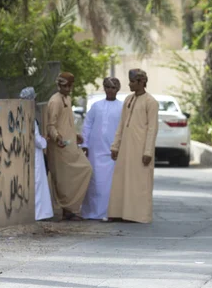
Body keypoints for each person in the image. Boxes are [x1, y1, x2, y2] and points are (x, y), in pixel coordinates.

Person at [107, 69, 159, 223]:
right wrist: (115, 146)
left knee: (139, 181)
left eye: (132, 82)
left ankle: (138, 215)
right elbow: (122, 124)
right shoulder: (128, 99)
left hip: (141, 149)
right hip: (125, 148)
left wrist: (148, 151)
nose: (129, 84)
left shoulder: (151, 102)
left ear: (141, 82)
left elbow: (152, 129)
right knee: (121, 180)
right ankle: (118, 213)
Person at [46, 72, 93, 221]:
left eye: (68, 86)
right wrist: (57, 137)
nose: (66, 88)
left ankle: (70, 208)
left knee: (85, 169)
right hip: (59, 147)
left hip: (70, 145)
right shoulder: (55, 101)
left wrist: (75, 134)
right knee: (63, 179)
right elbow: (51, 125)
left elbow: (67, 122)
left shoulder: (67, 98)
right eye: (63, 85)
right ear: (59, 85)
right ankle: (67, 210)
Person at [81, 77, 124, 221]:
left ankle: (108, 212)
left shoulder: (122, 107)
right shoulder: (96, 106)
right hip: (95, 150)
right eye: (107, 87)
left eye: (113, 88)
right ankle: (91, 213)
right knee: (95, 182)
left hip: (112, 151)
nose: (110, 90)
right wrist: (85, 145)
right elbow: (87, 125)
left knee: (109, 184)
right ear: (104, 88)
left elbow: (123, 128)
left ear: (117, 90)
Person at [20, 87, 54, 221]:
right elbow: (36, 140)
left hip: (25, 154)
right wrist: (45, 140)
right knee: (37, 183)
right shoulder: (30, 118)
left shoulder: (18, 115)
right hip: (35, 155)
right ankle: (39, 214)